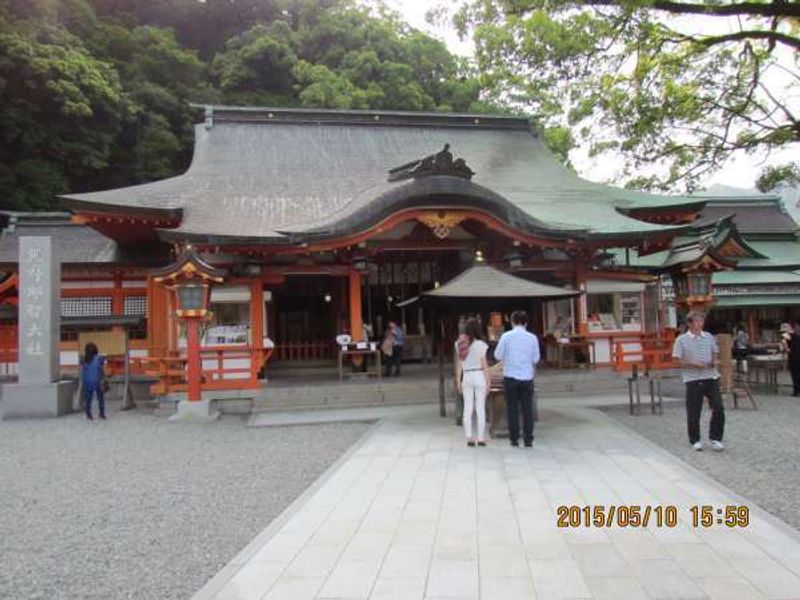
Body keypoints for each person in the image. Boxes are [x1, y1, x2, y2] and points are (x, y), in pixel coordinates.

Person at [672, 311, 725, 451]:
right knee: (694, 410)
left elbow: (715, 352)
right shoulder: (681, 340)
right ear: (689, 324)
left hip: (711, 375)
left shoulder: (708, 336)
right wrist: (693, 364)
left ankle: (715, 438)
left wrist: (714, 361)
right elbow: (677, 359)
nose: (700, 324)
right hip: (693, 378)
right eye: (697, 321)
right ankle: (695, 439)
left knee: (718, 407)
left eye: (701, 321)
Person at [494, 310, 540, 447]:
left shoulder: (506, 336)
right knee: (527, 410)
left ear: (512, 322)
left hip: (510, 377)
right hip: (527, 377)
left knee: (512, 409)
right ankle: (528, 439)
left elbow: (497, 355)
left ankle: (514, 438)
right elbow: (536, 358)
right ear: (526, 322)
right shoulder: (532, 338)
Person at [455, 318, 491, 447]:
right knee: (480, 408)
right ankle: (481, 439)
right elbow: (485, 365)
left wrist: (458, 381)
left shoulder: (459, 343)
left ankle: (469, 438)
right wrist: (488, 381)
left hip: (467, 376)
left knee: (467, 408)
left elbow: (459, 364)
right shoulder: (481, 344)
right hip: (479, 375)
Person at [81, 342, 106, 420]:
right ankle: (101, 414)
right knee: (100, 398)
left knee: (88, 399)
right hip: (97, 380)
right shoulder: (99, 358)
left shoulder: (83, 359)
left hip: (87, 381)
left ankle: (88, 414)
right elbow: (102, 365)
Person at [780, 323, 800, 396]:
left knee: (795, 375)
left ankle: (796, 392)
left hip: (793, 356)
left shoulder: (785, 335)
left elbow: (784, 342)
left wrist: (787, 349)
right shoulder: (797, 335)